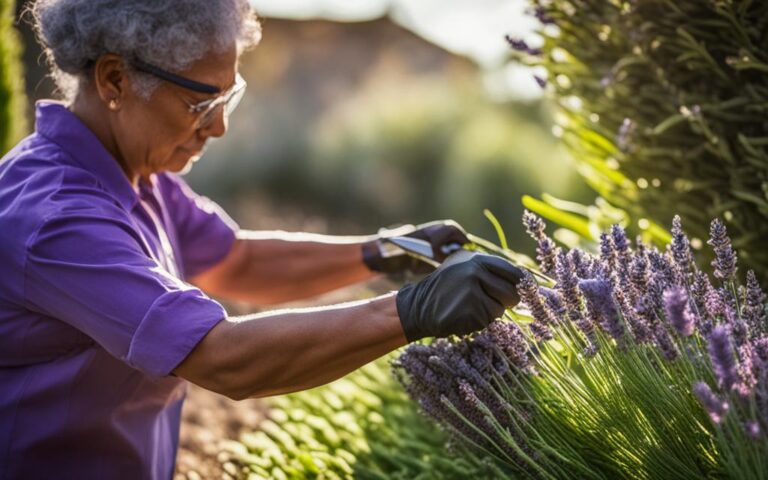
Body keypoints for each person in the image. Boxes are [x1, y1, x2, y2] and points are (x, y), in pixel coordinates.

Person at [0, 1, 525, 478]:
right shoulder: (57, 219)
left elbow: (238, 260)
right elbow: (220, 358)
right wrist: (414, 311)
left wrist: (388, 251)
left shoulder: (138, 175)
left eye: (229, 96)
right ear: (114, 80)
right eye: (199, 101)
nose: (220, 127)